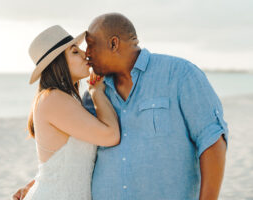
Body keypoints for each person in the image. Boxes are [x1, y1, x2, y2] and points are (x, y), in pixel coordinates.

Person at [14, 13, 228, 200]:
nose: (86, 53)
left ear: (114, 44)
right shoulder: (92, 95)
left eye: (90, 45)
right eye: (77, 50)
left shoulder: (180, 74)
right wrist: (39, 183)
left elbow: (212, 140)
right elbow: (68, 153)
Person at [13, 25, 120, 200]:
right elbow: (111, 135)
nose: (85, 53)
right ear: (57, 63)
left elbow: (59, 162)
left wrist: (32, 184)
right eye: (75, 52)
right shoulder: (54, 99)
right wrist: (96, 92)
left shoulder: (66, 98)